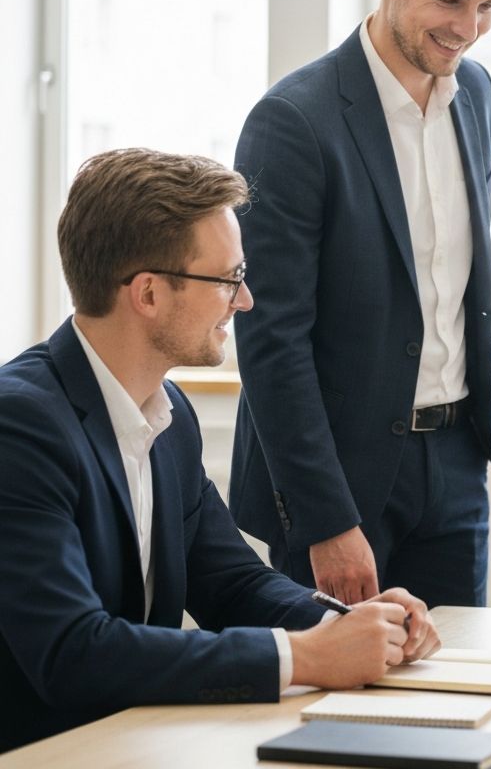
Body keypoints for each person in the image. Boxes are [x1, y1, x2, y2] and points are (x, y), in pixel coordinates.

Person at [0, 149, 438, 753]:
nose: (246, 300)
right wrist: (306, 657)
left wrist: (348, 624)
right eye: (229, 278)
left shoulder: (169, 415)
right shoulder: (19, 424)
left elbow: (231, 583)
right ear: (149, 294)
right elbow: (73, 652)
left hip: (129, 742)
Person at [229, 0, 491, 609]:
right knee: (337, 709)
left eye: (488, 6)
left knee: (454, 695)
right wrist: (326, 520)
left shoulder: (478, 94)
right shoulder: (293, 121)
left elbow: (459, 279)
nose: (469, 28)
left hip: (455, 461)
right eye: (450, 1)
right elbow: (270, 336)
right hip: (341, 477)